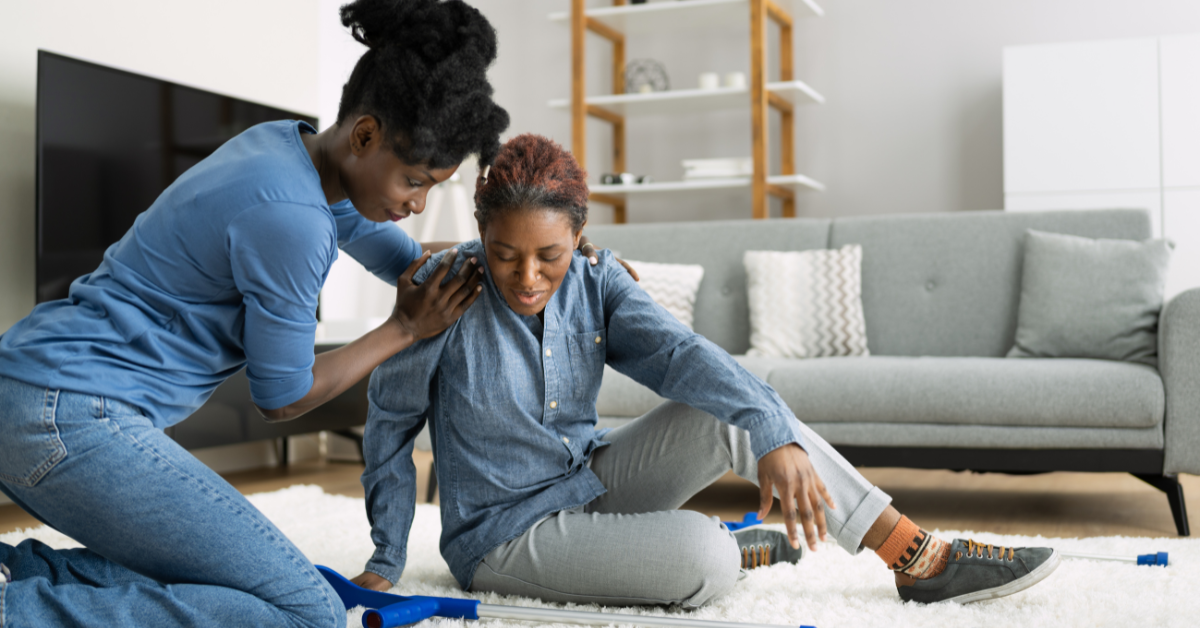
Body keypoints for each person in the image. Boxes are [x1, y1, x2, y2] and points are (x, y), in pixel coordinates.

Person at [354, 134, 1062, 609]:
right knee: (705, 561)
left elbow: (684, 357)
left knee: (737, 405)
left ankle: (917, 554)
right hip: (504, 536)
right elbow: (388, 425)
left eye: (550, 255)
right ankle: (728, 546)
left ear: (579, 234)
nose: (528, 277)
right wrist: (387, 558)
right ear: (482, 233)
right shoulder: (441, 289)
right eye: (506, 254)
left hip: (589, 479)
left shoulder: (599, 279)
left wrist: (768, 428)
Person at [0, 1, 517, 626]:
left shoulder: (288, 148)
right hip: (69, 418)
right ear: (365, 135)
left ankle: (19, 574)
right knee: (308, 612)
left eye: (432, 186)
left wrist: (527, 256)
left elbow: (408, 264)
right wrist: (403, 329)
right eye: (414, 181)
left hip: (34, 395)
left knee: (231, 580)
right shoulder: (293, 219)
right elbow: (282, 395)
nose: (418, 202)